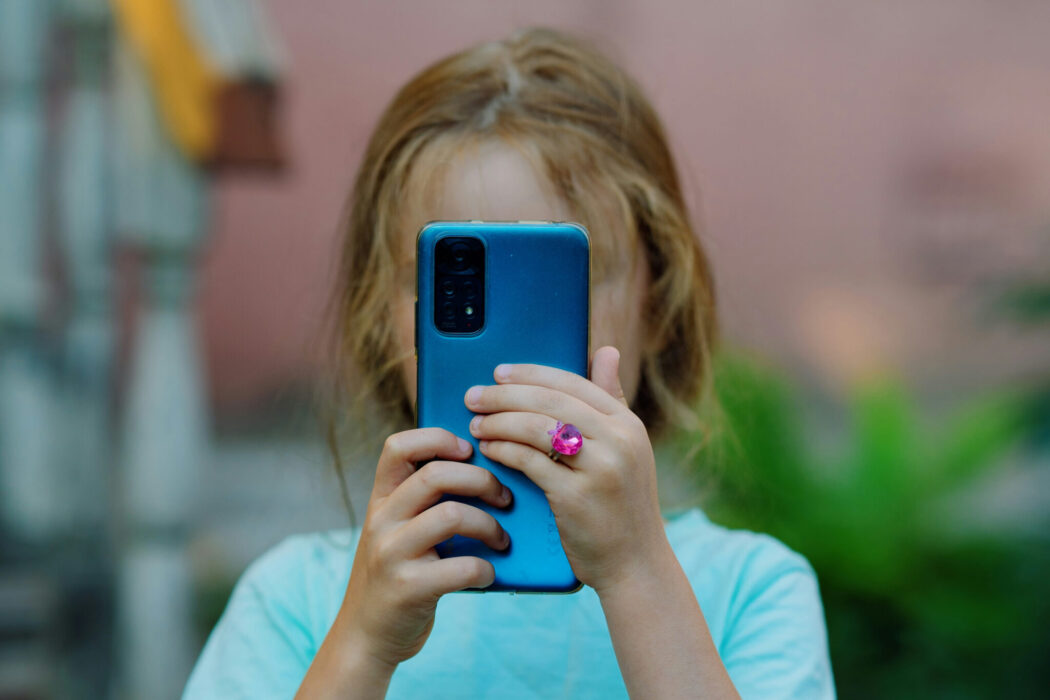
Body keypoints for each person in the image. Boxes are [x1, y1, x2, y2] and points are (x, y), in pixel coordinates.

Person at [184, 27, 835, 699]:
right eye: (457, 282)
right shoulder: (295, 604)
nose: (516, 352)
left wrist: (637, 574)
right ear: (380, 318)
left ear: (659, 302)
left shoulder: (749, 592)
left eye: (559, 283)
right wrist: (364, 645)